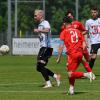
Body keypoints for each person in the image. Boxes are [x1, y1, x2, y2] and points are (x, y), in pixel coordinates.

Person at [56, 16, 95, 95]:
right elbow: (83, 42)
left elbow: (61, 46)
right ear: (71, 23)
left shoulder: (64, 32)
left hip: (72, 54)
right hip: (79, 53)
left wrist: (59, 57)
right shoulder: (78, 31)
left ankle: (87, 74)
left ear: (64, 23)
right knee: (71, 71)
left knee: (70, 74)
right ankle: (71, 89)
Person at [34, 9, 61, 88]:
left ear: (41, 15)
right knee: (39, 68)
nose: (34, 17)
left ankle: (48, 83)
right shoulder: (40, 24)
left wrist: (38, 30)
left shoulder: (45, 23)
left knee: (40, 66)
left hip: (46, 47)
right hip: (43, 47)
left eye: (36, 15)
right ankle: (56, 76)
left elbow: (47, 30)